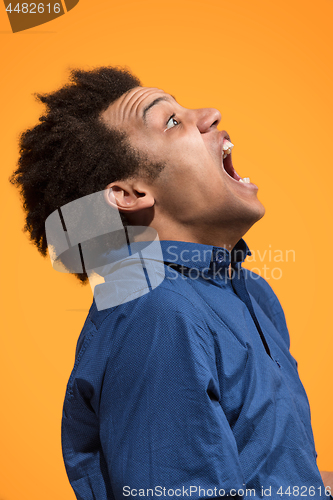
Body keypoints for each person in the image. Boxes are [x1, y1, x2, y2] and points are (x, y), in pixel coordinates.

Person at [10, 67, 332, 499]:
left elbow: (278, 482)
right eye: (172, 122)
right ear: (130, 194)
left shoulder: (252, 293)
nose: (211, 115)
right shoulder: (156, 314)